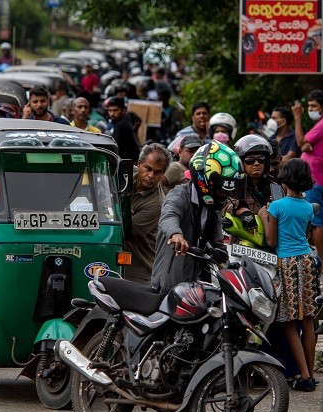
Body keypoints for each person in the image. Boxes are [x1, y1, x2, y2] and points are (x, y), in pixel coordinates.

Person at [258, 158, 319, 392]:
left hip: (287, 264)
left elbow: (272, 241)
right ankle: (311, 374)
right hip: (307, 261)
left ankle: (303, 376)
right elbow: (306, 235)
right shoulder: (307, 207)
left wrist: (264, 216)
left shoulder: (277, 206)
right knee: (308, 321)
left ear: (285, 180)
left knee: (290, 323)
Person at [151, 140, 244, 291]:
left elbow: (217, 245)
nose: (224, 194)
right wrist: (176, 235)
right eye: (221, 189)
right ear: (204, 180)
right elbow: (169, 216)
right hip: (168, 287)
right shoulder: (179, 195)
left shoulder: (212, 209)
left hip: (196, 287)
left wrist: (231, 269)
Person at [292, 89, 323, 272]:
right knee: (320, 222)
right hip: (319, 180)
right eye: (309, 106)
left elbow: (300, 140)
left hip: (316, 180)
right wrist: (305, 145)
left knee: (317, 223)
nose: (309, 109)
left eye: (313, 106)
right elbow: (304, 144)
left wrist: (297, 117)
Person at [124, 144, 170, 284]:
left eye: (158, 172)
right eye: (148, 169)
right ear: (139, 164)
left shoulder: (156, 204)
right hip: (117, 260)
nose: (151, 176)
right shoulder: (124, 174)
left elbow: (124, 232)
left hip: (138, 270)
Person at [228, 134, 283, 215]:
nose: (256, 163)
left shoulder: (274, 187)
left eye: (261, 159)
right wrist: (243, 211)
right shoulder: (234, 187)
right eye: (250, 160)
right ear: (241, 164)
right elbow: (227, 206)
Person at [105, 96, 141, 161]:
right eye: (110, 111)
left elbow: (115, 148)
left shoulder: (120, 125)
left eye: (115, 110)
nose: (112, 114)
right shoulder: (125, 121)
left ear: (123, 110)